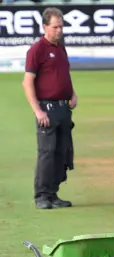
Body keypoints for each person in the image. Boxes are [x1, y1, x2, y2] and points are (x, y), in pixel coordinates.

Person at [22, 7, 78, 210]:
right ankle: (41, 196)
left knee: (61, 152)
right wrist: (38, 111)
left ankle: (53, 194)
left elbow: (64, 76)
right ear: (45, 27)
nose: (59, 31)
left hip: (63, 109)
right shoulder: (37, 50)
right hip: (47, 109)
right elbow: (27, 82)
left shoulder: (61, 48)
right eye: (55, 27)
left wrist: (72, 93)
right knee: (47, 152)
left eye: (61, 27)